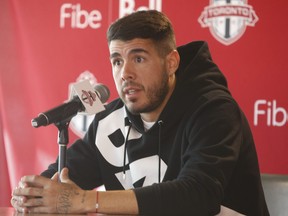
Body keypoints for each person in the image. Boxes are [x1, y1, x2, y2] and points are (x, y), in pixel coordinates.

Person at [11, 10, 269, 215]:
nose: (125, 74)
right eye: (117, 61)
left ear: (171, 63)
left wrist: (88, 201)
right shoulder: (109, 121)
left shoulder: (213, 110)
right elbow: (62, 179)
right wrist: (33, 195)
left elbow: (199, 195)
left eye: (138, 59)